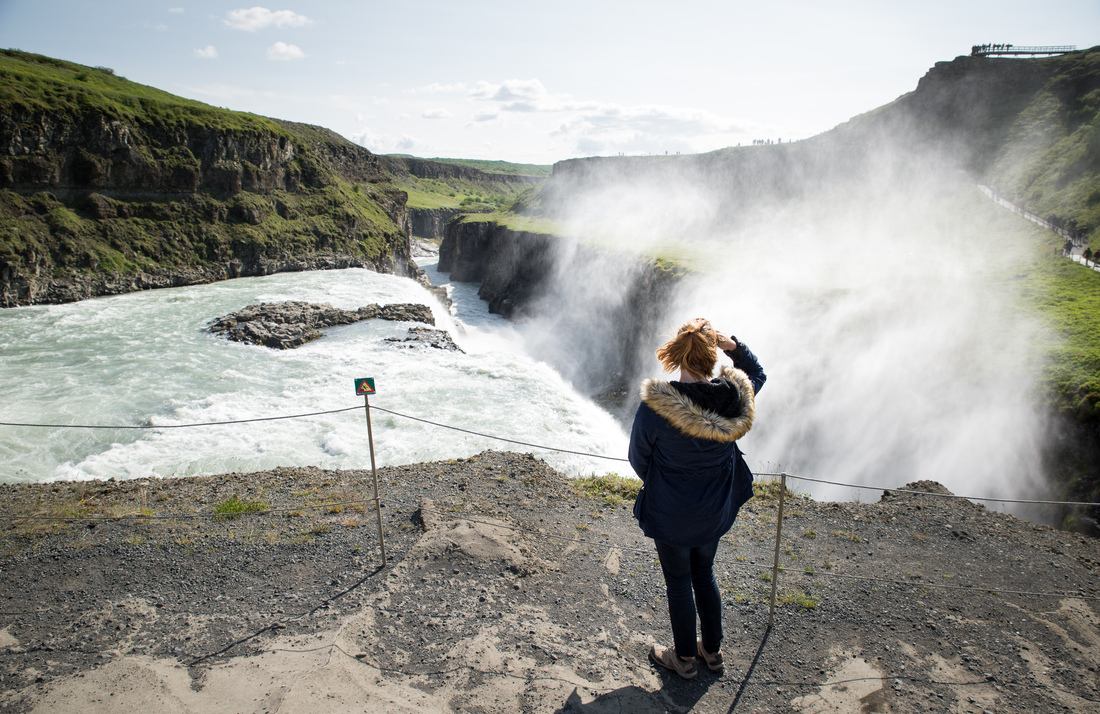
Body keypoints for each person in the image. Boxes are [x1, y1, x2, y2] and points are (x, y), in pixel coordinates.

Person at [628, 318, 766, 679]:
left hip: (670, 513)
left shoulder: (656, 407)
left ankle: (685, 659)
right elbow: (757, 372)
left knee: (678, 580)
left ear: (677, 356)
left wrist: (662, 484)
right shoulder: (734, 398)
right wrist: (731, 345)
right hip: (713, 510)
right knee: (704, 572)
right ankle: (712, 651)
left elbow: (638, 457)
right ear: (711, 356)